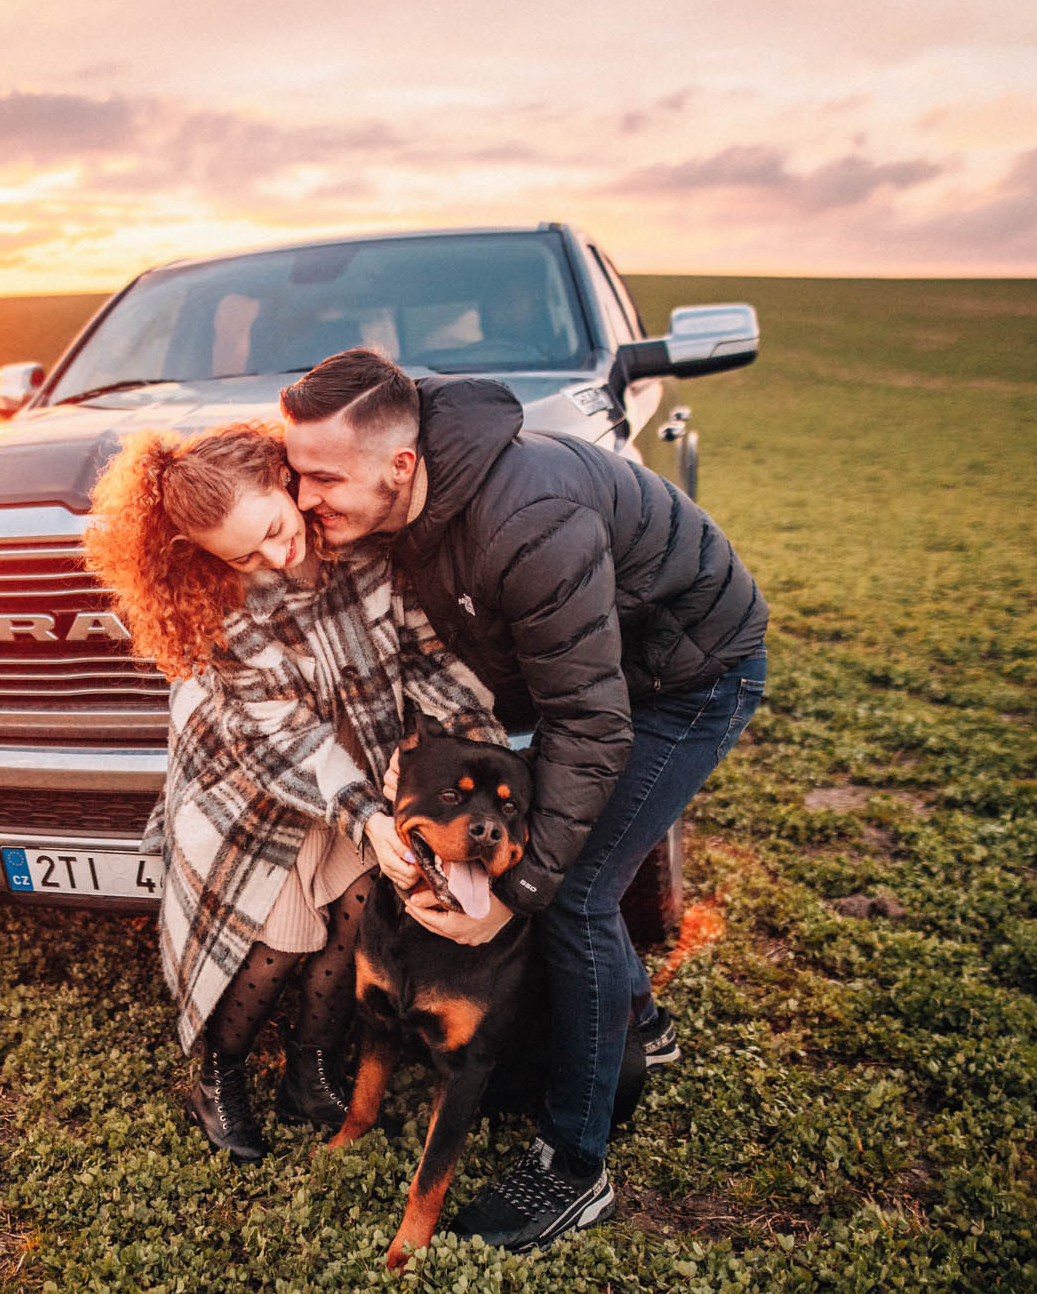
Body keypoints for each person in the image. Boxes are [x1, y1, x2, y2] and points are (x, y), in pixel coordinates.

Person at [280, 348, 769, 1250]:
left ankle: (575, 1167)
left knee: (576, 890)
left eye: (320, 476)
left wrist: (515, 889)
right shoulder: (408, 501)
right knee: (582, 856)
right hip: (598, 677)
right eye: (294, 472)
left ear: (400, 463)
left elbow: (591, 722)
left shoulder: (526, 517)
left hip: (687, 677)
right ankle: (642, 1025)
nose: (303, 495)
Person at [83, 420, 504, 1164]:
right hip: (253, 783)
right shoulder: (222, 608)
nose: (275, 556)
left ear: (287, 479)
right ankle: (220, 1068)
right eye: (243, 553)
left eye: (277, 529)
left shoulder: (365, 548)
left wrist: (479, 744)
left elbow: (425, 656)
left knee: (354, 912)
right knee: (276, 939)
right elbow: (294, 742)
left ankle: (310, 1069)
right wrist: (370, 818)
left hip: (358, 760)